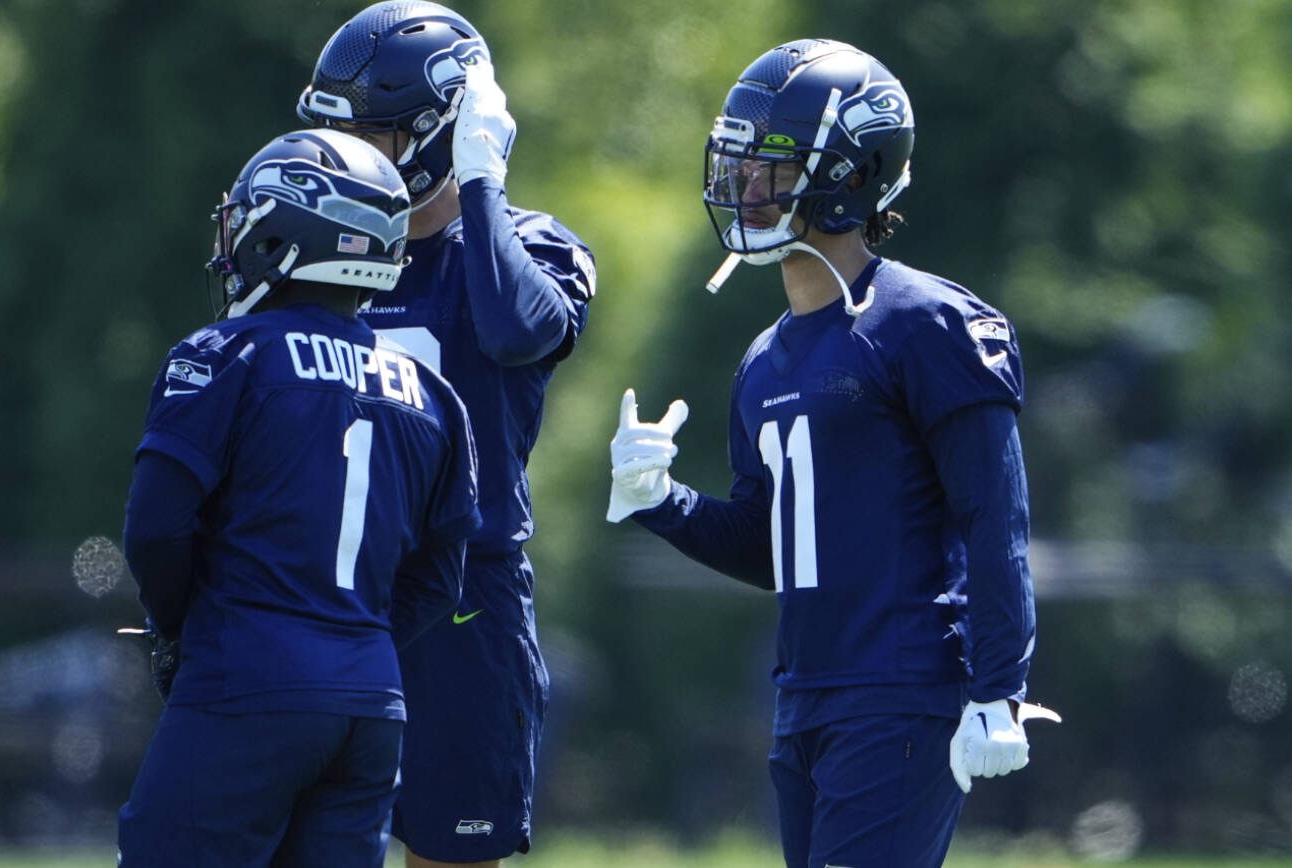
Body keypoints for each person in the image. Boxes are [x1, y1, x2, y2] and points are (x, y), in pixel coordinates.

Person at [607, 39, 1058, 868]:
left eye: (772, 170)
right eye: (740, 167)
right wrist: (662, 501)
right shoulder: (764, 357)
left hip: (903, 690)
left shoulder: (927, 322)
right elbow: (775, 547)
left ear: (849, 176)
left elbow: (996, 520)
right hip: (806, 697)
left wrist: (1000, 688)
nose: (745, 188)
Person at [116, 127, 481, 868]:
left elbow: (155, 529)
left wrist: (184, 630)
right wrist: (349, 642)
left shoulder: (225, 355)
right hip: (370, 705)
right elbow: (441, 576)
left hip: (245, 678)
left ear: (284, 231)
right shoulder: (435, 393)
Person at [295, 3, 596, 865]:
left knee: (450, 855)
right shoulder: (322, 243)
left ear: (446, 129)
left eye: (374, 136)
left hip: (463, 601)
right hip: (320, 589)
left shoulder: (529, 246)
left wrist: (482, 179)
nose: (347, 158)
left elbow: (511, 328)